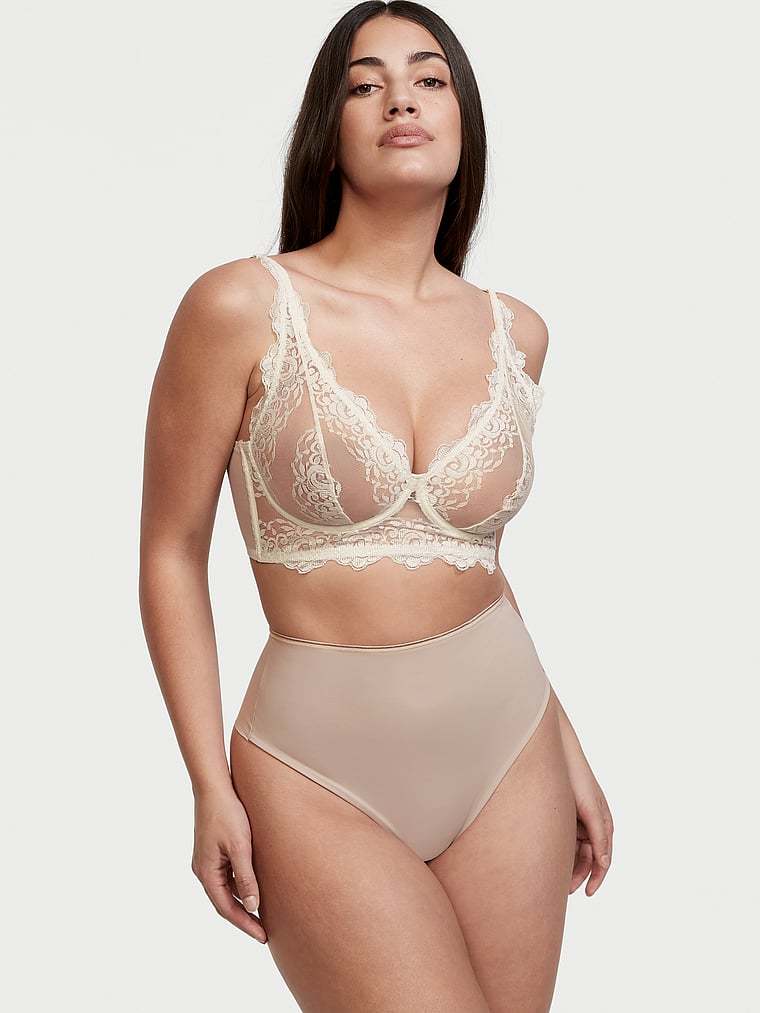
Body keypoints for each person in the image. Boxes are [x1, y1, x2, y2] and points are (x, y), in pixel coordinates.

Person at [139, 3, 614, 1010]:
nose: (402, 98)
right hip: (316, 767)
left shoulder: (516, 333)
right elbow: (171, 551)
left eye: (430, 78)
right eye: (366, 83)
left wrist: (566, 744)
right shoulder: (239, 306)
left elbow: (475, 560)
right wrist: (207, 782)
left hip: (509, 749)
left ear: (464, 121)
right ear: (329, 129)